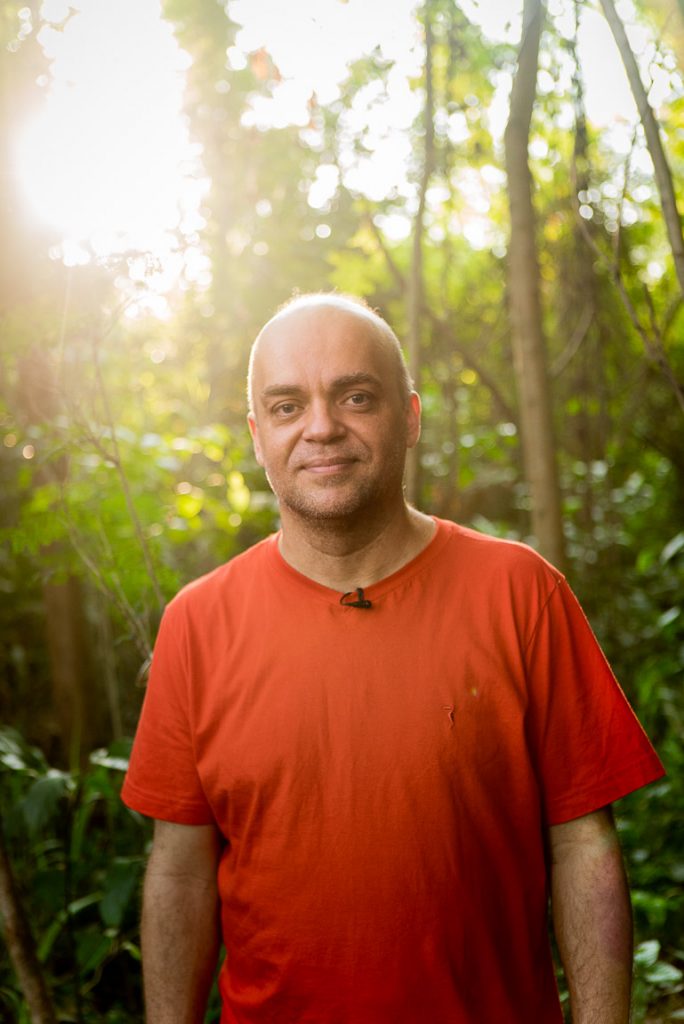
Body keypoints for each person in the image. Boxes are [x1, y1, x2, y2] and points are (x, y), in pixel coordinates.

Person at [122, 292, 664, 1024]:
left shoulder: (520, 592)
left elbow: (584, 847)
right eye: (287, 406)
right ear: (257, 435)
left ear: (408, 418)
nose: (321, 427)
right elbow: (180, 871)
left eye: (355, 397)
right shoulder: (197, 623)